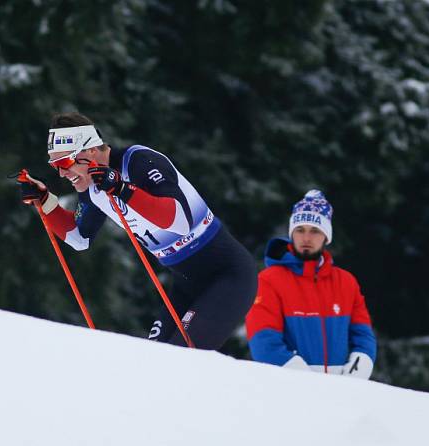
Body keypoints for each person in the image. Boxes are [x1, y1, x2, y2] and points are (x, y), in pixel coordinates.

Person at [19, 112, 257, 350]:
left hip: (228, 276)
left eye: (65, 163)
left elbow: (179, 220)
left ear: (91, 151)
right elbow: (80, 238)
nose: (61, 173)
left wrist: (122, 188)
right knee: (154, 358)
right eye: (55, 165)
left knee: (183, 359)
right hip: (186, 285)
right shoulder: (92, 187)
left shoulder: (139, 161)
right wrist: (46, 202)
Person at [245, 190, 377, 378]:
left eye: (315, 230)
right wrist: (308, 383)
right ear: (292, 233)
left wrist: (357, 373)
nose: (306, 238)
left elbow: (363, 336)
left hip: (343, 393)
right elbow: (264, 343)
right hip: (288, 389)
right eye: (300, 230)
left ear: (326, 236)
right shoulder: (268, 281)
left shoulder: (347, 283)